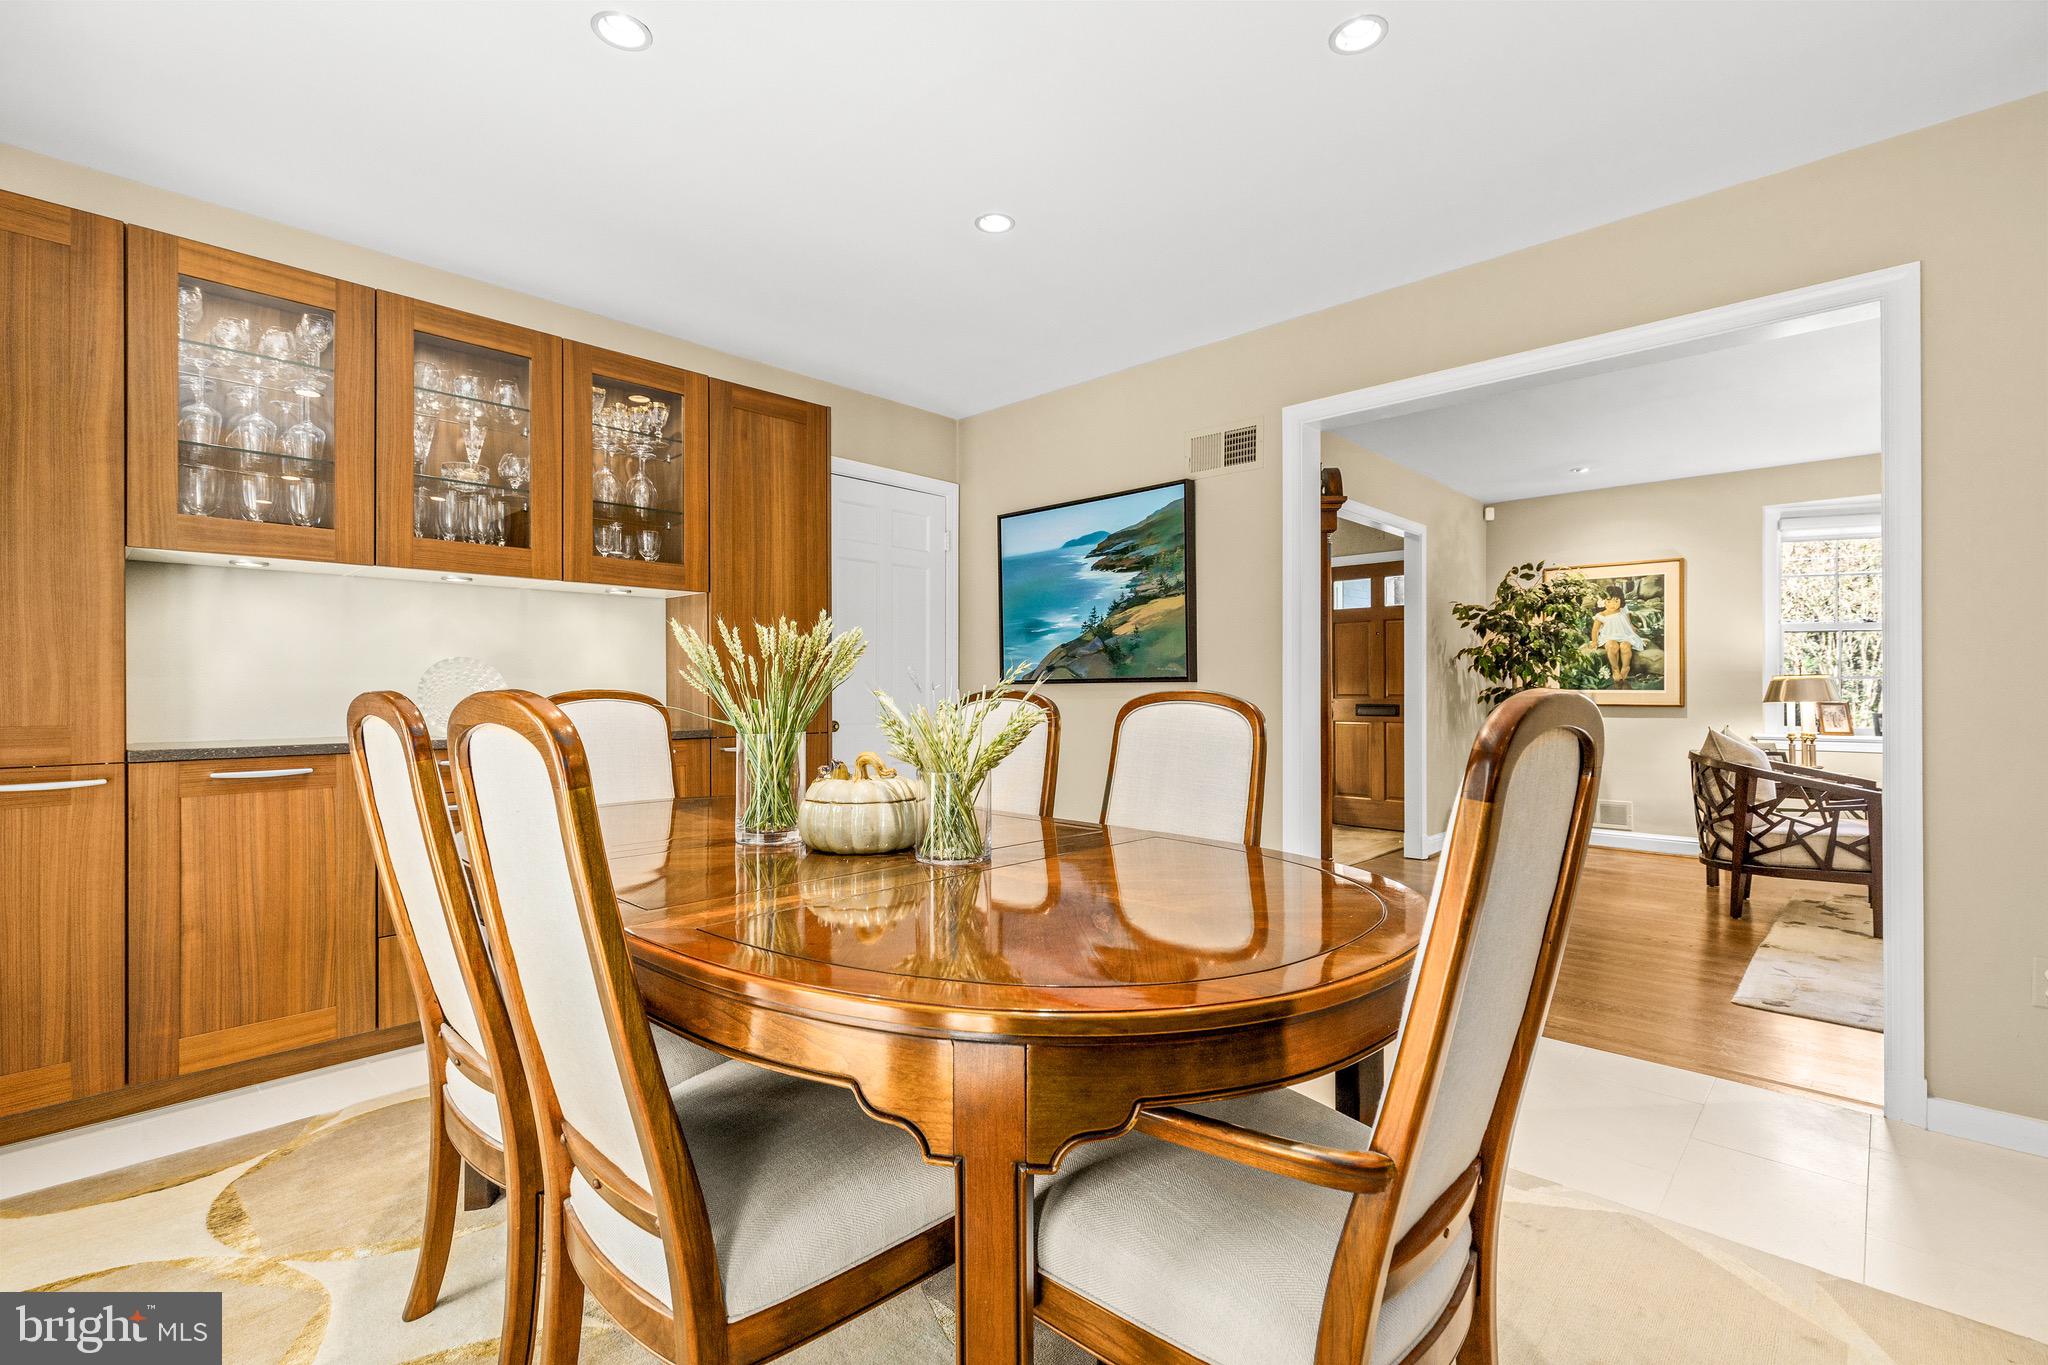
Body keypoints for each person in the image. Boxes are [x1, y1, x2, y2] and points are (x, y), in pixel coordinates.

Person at [1589, 587, 1649, 684]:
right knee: (1612, 646)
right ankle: (1615, 669)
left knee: (1625, 646)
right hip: (1608, 637)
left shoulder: (1622, 611)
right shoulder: (1601, 615)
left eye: (1616, 601)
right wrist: (1594, 641)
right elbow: (1595, 630)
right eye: (1609, 601)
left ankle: (1625, 667)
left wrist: (1632, 628)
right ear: (1603, 602)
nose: (1612, 604)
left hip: (1625, 635)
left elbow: (1628, 622)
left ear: (1621, 600)